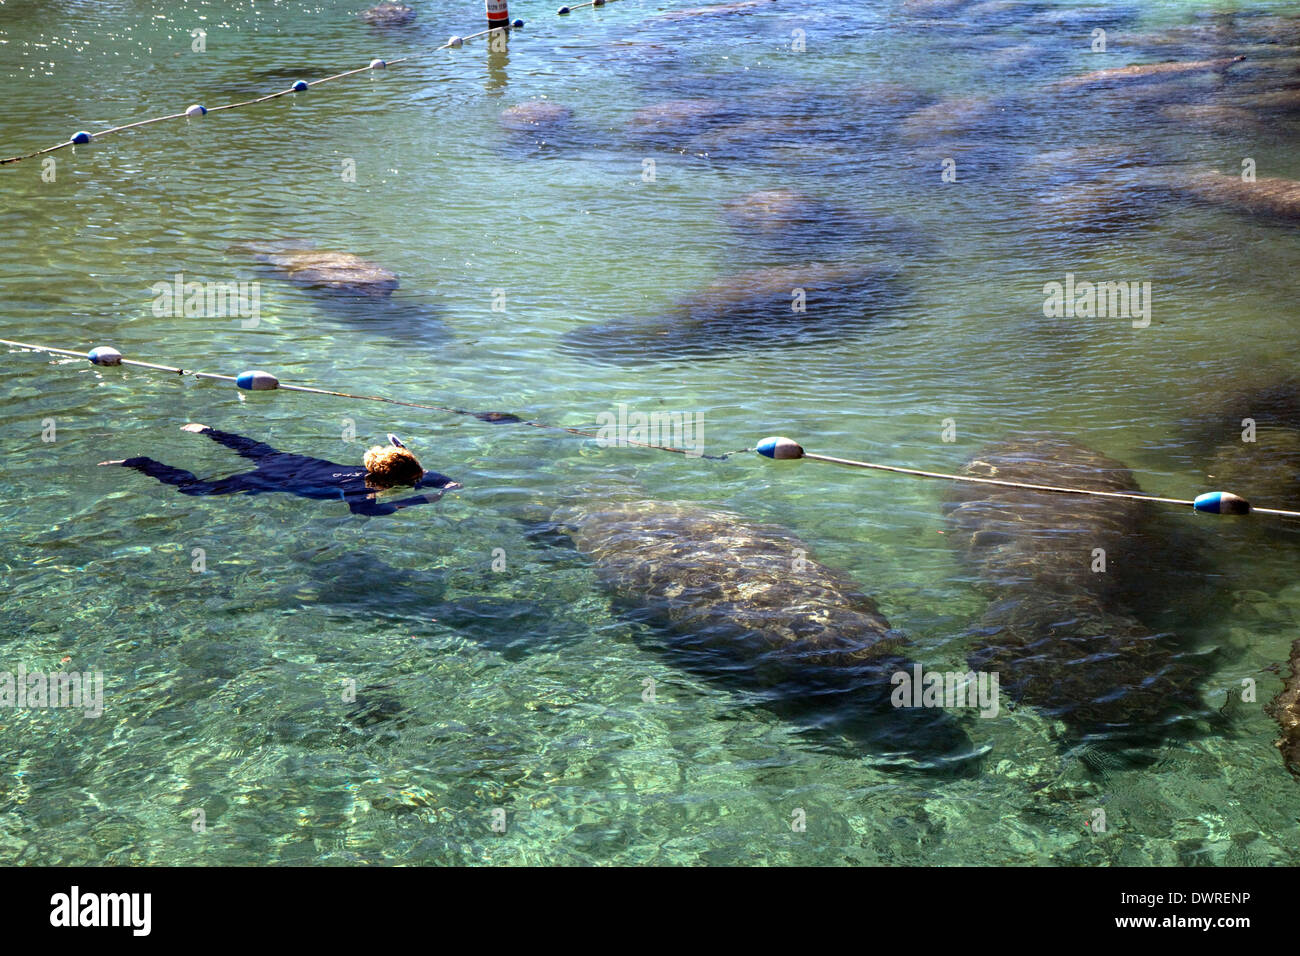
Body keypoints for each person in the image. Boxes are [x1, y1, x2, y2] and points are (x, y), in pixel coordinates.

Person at [100, 424, 460, 516]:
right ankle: (142, 464)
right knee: (195, 489)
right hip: (274, 481)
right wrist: (425, 500)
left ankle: (207, 430)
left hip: (299, 466)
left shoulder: (376, 474)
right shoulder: (362, 493)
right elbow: (366, 513)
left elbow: (410, 468)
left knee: (257, 449)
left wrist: (402, 450)